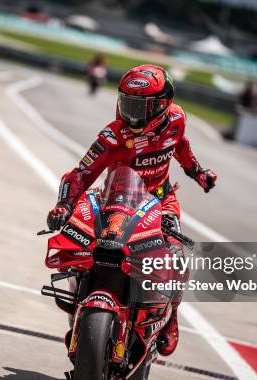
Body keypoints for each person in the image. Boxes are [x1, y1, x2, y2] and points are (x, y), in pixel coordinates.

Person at [46, 64, 217, 356]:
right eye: (127, 103)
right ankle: (79, 311)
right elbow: (80, 174)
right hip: (119, 199)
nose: (131, 113)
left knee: (176, 255)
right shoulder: (111, 136)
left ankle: (170, 319)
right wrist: (63, 205)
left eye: (140, 106)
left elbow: (182, 147)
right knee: (88, 246)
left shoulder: (177, 118)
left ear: (162, 105)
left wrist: (198, 172)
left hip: (161, 200)